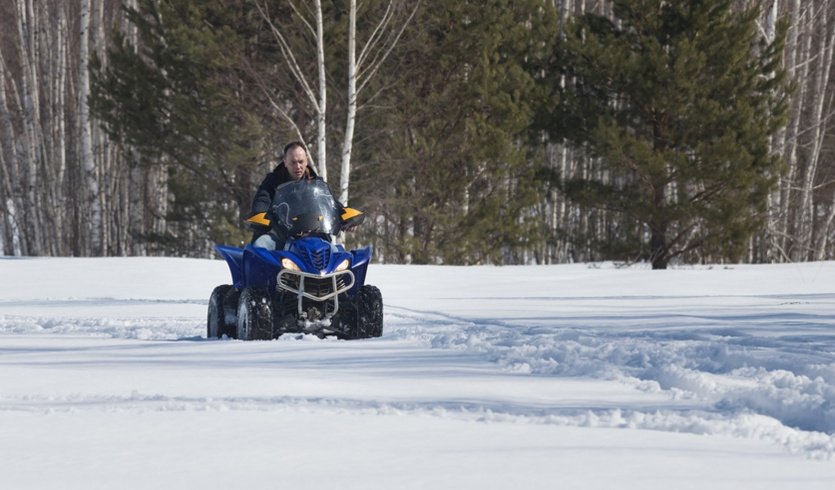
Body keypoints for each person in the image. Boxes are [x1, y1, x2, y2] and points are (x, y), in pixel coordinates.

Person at [249, 141, 358, 250]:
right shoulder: (272, 181)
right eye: (293, 162)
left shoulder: (317, 184)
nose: (298, 166)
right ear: (285, 162)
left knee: (335, 253)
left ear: (306, 161)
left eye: (301, 162)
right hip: (281, 235)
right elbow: (262, 199)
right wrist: (259, 215)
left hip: (314, 236)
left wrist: (347, 218)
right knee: (261, 244)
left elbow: (332, 204)